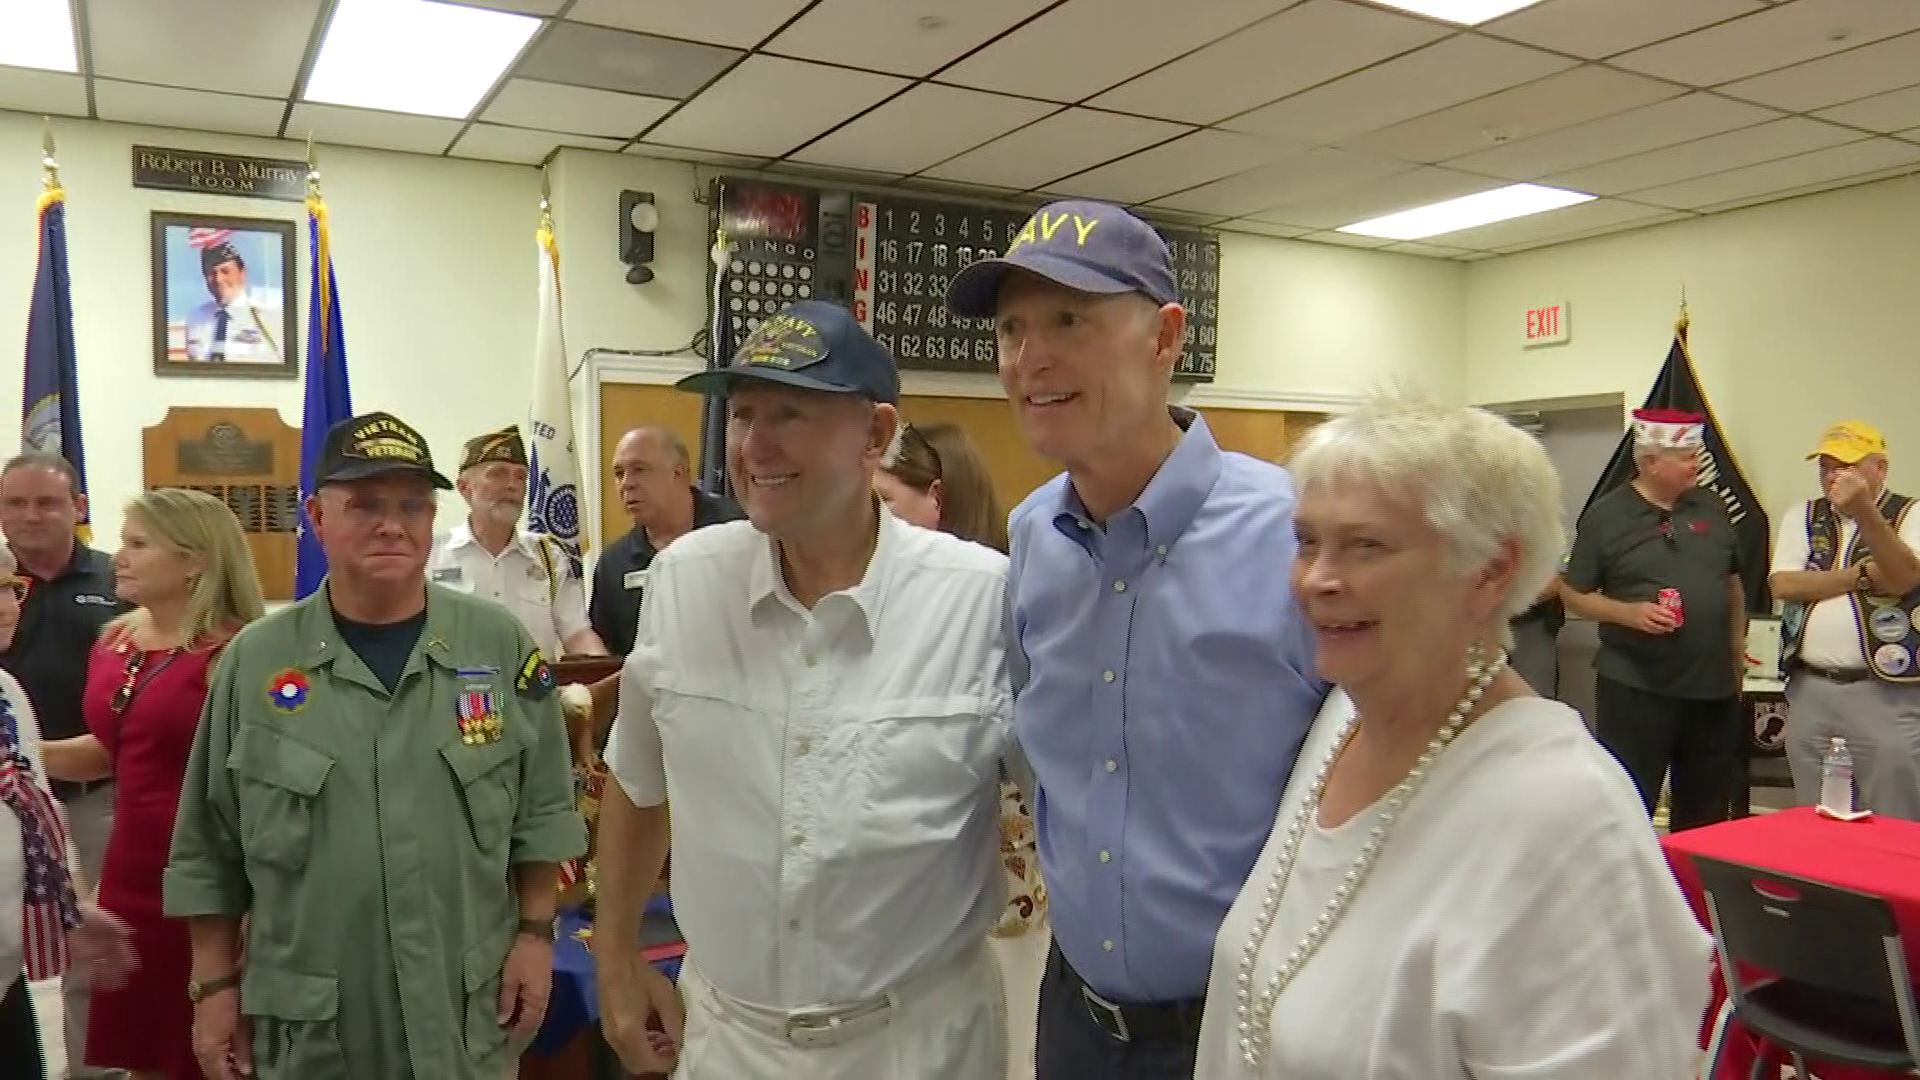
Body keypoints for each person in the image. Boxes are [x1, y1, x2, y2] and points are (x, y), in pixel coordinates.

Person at [1193, 396, 1711, 1078]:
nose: (1317, 578)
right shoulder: (1346, 721)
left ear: (1491, 570)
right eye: (1308, 541)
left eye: (1365, 544)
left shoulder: (1568, 818)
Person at [946, 199, 1327, 1080]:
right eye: (1011, 328)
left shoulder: (1296, 538)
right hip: (1076, 1017)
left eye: (1069, 321)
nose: (1030, 358)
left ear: (1163, 339)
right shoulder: (1033, 537)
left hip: (1245, 1032)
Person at [595, 300, 1013, 1079]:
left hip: (919, 1045)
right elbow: (637, 778)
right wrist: (616, 956)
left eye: (790, 414)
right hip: (729, 1042)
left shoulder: (981, 600)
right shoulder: (686, 582)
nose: (754, 445)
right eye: (744, 413)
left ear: (877, 435)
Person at [163, 411, 586, 1080]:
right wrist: (212, 988)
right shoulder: (255, 663)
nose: (393, 523)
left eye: (412, 503)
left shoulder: (497, 646)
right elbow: (209, 848)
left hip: (463, 1017)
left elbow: (541, 813)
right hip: (315, 1031)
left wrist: (536, 935)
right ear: (317, 516)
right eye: (364, 503)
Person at [41, 489, 266, 1080]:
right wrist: (23, 755)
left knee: (205, 1051)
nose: (119, 555)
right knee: (142, 1054)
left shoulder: (237, 654)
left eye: (140, 544)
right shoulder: (117, 641)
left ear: (195, 561)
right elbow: (111, 753)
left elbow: (256, 786)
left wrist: (249, 908)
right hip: (130, 876)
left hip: (207, 882)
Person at [878, 421, 1041, 1080]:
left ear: (936, 498)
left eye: (886, 502)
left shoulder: (1003, 590)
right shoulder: (886, 595)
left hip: (1005, 861)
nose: (873, 522)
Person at [0, 452, 129, 1080]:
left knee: (87, 960)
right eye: (15, 503)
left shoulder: (116, 580)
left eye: (46, 502)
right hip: (15, 805)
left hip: (90, 796)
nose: (30, 516)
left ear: (78, 507)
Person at [1561, 408, 1749, 830]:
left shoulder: (1712, 506)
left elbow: (1733, 583)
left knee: (1707, 809)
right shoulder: (1605, 516)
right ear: (1648, 462)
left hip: (1711, 688)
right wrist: (1625, 612)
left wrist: (1736, 648)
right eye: (1684, 456)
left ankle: (1694, 894)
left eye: (1695, 453)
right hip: (1636, 687)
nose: (1695, 463)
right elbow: (1573, 593)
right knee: (1628, 803)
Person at [1771, 420, 1920, 818]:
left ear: (1880, 469)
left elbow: (1904, 578)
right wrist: (1860, 575)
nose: (1834, 476)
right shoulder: (1802, 515)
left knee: (1893, 811)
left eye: (1848, 466)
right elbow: (1784, 584)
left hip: (1885, 692)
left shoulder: (1911, 514)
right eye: (1826, 467)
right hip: (1810, 687)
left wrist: (1866, 513)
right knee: (1814, 811)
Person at [429, 425, 607, 659]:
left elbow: (577, 634)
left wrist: (606, 677)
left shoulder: (548, 556)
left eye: (520, 476)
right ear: (464, 488)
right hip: (456, 693)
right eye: (498, 473)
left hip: (535, 693)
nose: (512, 485)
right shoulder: (432, 555)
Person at [587, 425, 741, 659]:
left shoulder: (741, 531)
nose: (626, 484)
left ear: (678, 473)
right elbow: (609, 652)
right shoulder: (613, 563)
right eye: (619, 473)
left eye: (639, 469)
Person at [182, 242, 282, 365]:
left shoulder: (270, 316)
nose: (218, 279)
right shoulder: (196, 319)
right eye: (212, 273)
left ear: (242, 273)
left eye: (225, 271)